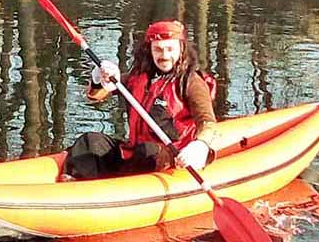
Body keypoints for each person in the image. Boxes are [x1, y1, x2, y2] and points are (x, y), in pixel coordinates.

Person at [63, 19, 219, 180]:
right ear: (149, 50)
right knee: (90, 140)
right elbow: (96, 96)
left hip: (169, 157)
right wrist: (98, 78)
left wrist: (200, 145)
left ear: (181, 49)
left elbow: (208, 123)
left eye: (170, 49)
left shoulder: (191, 82)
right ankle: (79, 181)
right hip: (134, 151)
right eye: (158, 50)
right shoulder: (137, 77)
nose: (164, 56)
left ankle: (115, 183)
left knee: (147, 151)